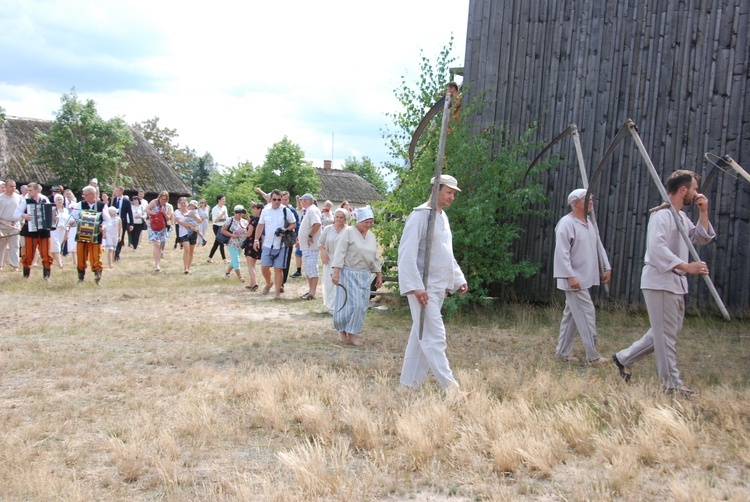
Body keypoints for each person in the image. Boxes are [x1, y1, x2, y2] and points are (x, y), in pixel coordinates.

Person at [613, 170, 716, 396]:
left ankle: (624, 358)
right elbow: (657, 249)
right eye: (694, 189)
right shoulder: (662, 216)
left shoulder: (681, 217)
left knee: (666, 332)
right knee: (666, 335)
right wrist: (687, 267)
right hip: (659, 282)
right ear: (683, 190)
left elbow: (701, 237)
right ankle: (672, 385)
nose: (696, 193)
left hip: (675, 283)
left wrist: (704, 211)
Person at [398, 175, 468, 393]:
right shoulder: (420, 216)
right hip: (423, 287)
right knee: (434, 337)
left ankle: (407, 386)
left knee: (420, 338)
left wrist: (458, 278)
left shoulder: (442, 217)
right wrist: (416, 287)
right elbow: (406, 254)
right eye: (449, 192)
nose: (452, 197)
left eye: (454, 193)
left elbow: (445, 253)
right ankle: (452, 390)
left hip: (438, 286)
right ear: (436, 189)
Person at [553, 188, 612, 365]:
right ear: (576, 203)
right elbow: (562, 253)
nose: (592, 202)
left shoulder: (589, 223)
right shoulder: (566, 223)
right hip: (574, 279)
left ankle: (562, 352)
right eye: (588, 199)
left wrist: (606, 267)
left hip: (585, 277)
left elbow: (598, 245)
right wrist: (570, 276)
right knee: (587, 313)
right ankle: (593, 356)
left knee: (571, 315)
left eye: (592, 198)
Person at [331, 206, 383, 346]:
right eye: (366, 222)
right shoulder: (347, 232)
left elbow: (374, 257)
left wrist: (378, 274)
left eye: (371, 222)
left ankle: (353, 334)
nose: (369, 225)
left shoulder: (371, 236)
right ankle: (341, 330)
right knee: (347, 304)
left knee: (361, 305)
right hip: (348, 273)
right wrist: (336, 272)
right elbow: (340, 253)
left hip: (364, 275)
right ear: (358, 221)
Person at [253, 189, 297, 298]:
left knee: (278, 269)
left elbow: (294, 224)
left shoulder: (286, 210)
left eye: (279, 199)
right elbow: (260, 225)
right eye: (274, 199)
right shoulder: (265, 210)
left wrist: (285, 230)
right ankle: (269, 283)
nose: (277, 201)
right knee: (264, 267)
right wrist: (255, 240)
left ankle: (277, 293)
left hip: (281, 245)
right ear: (270, 199)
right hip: (267, 244)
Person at [69, 185, 110, 285]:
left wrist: (103, 227)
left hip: (96, 236)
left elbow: (107, 220)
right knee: (81, 257)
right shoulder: (80, 204)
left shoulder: (101, 205)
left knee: (96, 257)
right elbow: (72, 217)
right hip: (82, 235)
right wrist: (73, 222)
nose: (84, 197)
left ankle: (97, 278)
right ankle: (80, 278)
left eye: (85, 195)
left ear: (92, 195)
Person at [14, 182, 53, 280]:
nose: (28, 192)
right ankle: (26, 276)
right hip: (30, 230)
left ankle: (46, 276)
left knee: (47, 254)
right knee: (28, 254)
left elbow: (51, 212)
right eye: (28, 190)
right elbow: (16, 213)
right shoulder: (26, 201)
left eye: (30, 190)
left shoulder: (45, 200)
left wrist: (54, 217)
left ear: (37, 190)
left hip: (44, 231)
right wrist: (24, 216)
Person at [318, 208, 348, 310]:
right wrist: (323, 252)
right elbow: (320, 243)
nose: (339, 219)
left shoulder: (348, 230)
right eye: (337, 217)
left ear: (345, 218)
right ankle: (330, 305)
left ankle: (339, 305)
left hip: (343, 260)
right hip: (330, 258)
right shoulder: (328, 229)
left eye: (341, 217)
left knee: (340, 282)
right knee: (329, 283)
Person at [297, 193, 322, 299]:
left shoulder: (312, 210)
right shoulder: (308, 211)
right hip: (305, 246)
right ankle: (310, 291)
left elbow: (317, 223)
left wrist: (310, 235)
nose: (303, 202)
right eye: (302, 200)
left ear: (310, 201)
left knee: (312, 269)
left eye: (304, 200)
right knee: (308, 269)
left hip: (311, 245)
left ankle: (312, 292)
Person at [174, 198, 202, 274]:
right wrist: (190, 226)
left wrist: (194, 216)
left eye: (184, 203)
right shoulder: (177, 212)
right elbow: (180, 222)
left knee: (191, 251)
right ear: (179, 204)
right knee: (187, 249)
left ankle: (188, 267)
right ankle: (185, 268)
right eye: (181, 203)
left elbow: (199, 221)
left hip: (193, 233)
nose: (183, 204)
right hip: (183, 233)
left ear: (187, 204)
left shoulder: (192, 211)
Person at [146, 191, 172, 272]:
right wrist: (155, 214)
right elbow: (146, 209)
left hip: (162, 227)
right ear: (159, 197)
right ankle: (156, 265)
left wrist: (164, 213)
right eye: (162, 199)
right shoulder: (154, 202)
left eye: (165, 199)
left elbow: (168, 218)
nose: (163, 201)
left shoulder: (168, 206)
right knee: (156, 245)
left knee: (160, 246)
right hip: (153, 226)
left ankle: (158, 263)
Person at [0, 179, 22, 271]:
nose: (13, 188)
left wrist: (22, 223)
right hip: (3, 224)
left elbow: (21, 211)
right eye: (11, 186)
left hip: (15, 225)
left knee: (15, 246)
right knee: (1, 246)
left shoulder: (18, 197)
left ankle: (15, 265)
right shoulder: (0, 197)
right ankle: (0, 265)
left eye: (14, 186)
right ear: (5, 187)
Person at [223, 204, 248, 281]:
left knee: (234, 260)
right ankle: (240, 277)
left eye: (241, 213)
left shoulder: (244, 221)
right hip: (232, 243)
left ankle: (227, 272)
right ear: (234, 212)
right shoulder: (230, 220)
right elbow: (223, 230)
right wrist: (231, 235)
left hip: (241, 244)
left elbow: (252, 225)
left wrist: (247, 215)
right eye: (237, 213)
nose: (239, 215)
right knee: (236, 259)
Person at [281, 191, 301, 284]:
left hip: (288, 237)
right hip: (277, 238)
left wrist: (297, 237)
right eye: (282, 199)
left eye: (286, 199)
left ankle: (282, 282)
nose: (284, 201)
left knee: (286, 260)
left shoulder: (292, 210)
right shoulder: (276, 210)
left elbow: (297, 224)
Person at [244, 202, 264, 291]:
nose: (253, 210)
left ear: (259, 209)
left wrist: (244, 233)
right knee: (253, 264)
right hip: (259, 243)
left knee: (250, 265)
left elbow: (249, 234)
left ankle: (255, 282)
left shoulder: (254, 220)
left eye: (255, 209)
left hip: (251, 243)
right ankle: (251, 283)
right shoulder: (263, 220)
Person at [111, 186, 133, 261]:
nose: (115, 192)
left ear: (121, 191)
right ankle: (112, 252)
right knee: (113, 237)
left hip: (122, 221)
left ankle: (117, 254)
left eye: (116, 191)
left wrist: (131, 224)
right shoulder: (113, 200)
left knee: (120, 237)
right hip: (113, 221)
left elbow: (130, 213)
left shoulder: (126, 201)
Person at [50, 194, 70, 269]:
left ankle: (50, 261)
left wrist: (67, 232)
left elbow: (67, 222)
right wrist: (53, 218)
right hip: (54, 229)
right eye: (58, 199)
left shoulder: (66, 211)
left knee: (55, 247)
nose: (59, 201)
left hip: (62, 230)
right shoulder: (52, 210)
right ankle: (60, 263)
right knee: (56, 246)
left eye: (61, 199)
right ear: (55, 201)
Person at [208, 194, 228, 263]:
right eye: (223, 199)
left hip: (223, 227)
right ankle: (224, 259)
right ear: (219, 200)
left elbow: (226, 218)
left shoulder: (225, 207)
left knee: (217, 243)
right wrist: (222, 215)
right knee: (221, 242)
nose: (224, 200)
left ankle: (209, 258)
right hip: (217, 227)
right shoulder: (215, 209)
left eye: (224, 199)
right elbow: (215, 220)